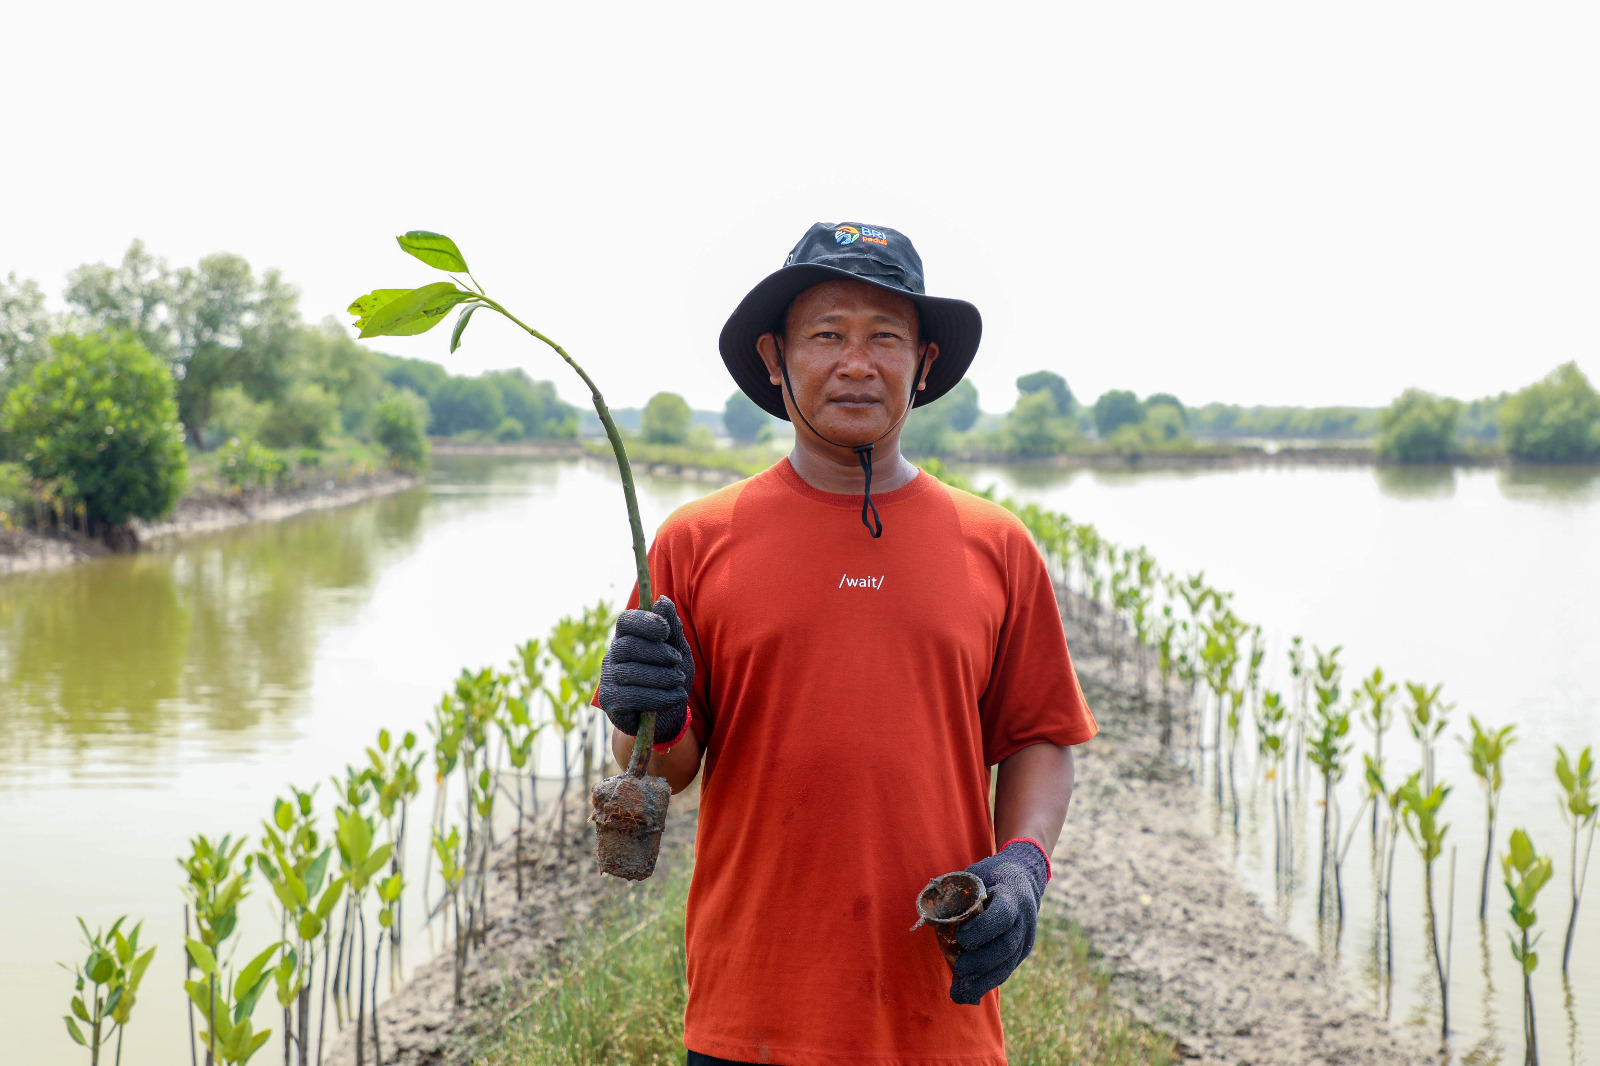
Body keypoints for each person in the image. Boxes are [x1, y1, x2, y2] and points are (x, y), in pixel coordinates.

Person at [597, 221, 1098, 1066]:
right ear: (773, 356)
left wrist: (1023, 867)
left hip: (937, 1009)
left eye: (885, 338)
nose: (857, 363)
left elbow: (1041, 737)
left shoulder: (996, 544)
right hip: (749, 1010)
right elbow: (665, 769)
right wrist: (645, 711)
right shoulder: (695, 541)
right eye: (827, 334)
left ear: (925, 362)